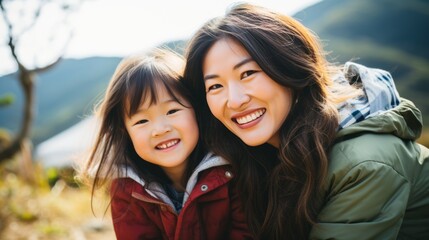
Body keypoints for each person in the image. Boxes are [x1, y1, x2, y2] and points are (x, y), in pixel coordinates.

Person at [182, 3, 429, 240]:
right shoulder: (259, 158)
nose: (234, 101)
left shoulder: (363, 162)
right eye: (215, 86)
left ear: (290, 68)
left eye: (248, 73)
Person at [80, 48, 252, 239]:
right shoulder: (127, 190)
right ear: (125, 132)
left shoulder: (230, 168)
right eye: (141, 121)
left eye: (172, 111)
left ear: (196, 108)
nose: (160, 129)